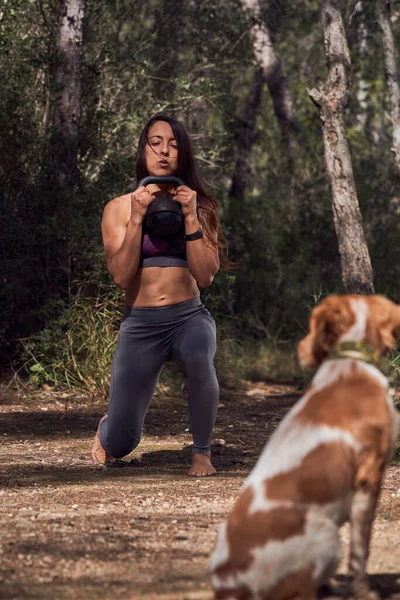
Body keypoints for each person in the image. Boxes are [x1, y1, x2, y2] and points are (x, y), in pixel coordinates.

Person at [90, 114, 230, 476]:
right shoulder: (118, 208)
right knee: (120, 446)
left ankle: (201, 453)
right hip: (140, 324)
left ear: (183, 153)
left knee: (200, 353)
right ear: (143, 149)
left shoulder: (201, 206)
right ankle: (109, 427)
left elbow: (206, 275)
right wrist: (137, 219)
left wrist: (190, 218)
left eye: (173, 144)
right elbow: (121, 276)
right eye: (156, 142)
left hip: (188, 317)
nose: (165, 151)